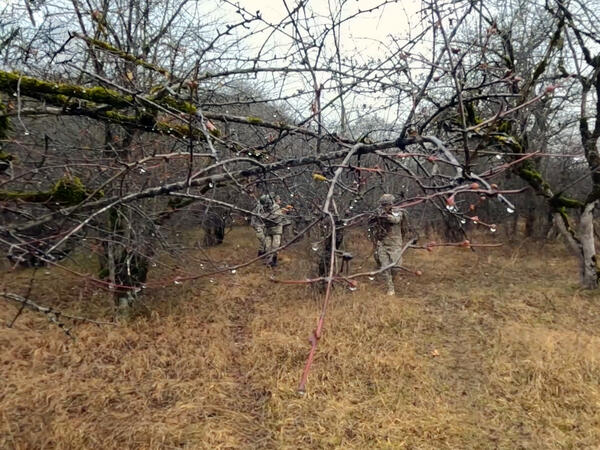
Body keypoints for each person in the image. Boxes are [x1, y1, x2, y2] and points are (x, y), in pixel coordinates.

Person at [368, 193, 408, 296]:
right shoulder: (377, 212)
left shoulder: (398, 212)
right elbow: (370, 222)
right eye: (383, 204)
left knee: (396, 267)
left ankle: (393, 281)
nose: (385, 206)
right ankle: (390, 288)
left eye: (387, 204)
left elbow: (396, 220)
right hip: (382, 243)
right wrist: (374, 218)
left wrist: (386, 217)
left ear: (392, 203)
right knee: (384, 267)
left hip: (395, 244)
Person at [252, 194, 284, 266]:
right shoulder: (262, 208)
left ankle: (274, 261)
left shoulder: (276, 207)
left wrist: (265, 216)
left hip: (276, 229)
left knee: (275, 245)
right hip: (268, 229)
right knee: (267, 246)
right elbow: (260, 216)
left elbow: (275, 216)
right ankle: (269, 261)